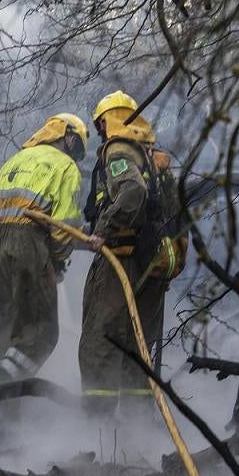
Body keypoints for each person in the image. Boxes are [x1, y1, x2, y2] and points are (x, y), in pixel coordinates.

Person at [79, 91, 179, 420]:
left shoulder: (119, 149)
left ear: (109, 121)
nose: (100, 133)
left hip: (122, 258)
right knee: (139, 346)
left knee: (101, 338)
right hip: (154, 262)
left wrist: (103, 230)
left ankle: (96, 426)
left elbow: (132, 192)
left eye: (100, 125)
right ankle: (139, 429)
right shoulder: (153, 156)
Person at [0, 112, 88, 388]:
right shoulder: (66, 167)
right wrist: (57, 261)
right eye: (78, 149)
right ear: (69, 137)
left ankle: (1, 414)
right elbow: (65, 223)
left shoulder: (16, 160)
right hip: (28, 242)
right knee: (40, 334)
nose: (77, 157)